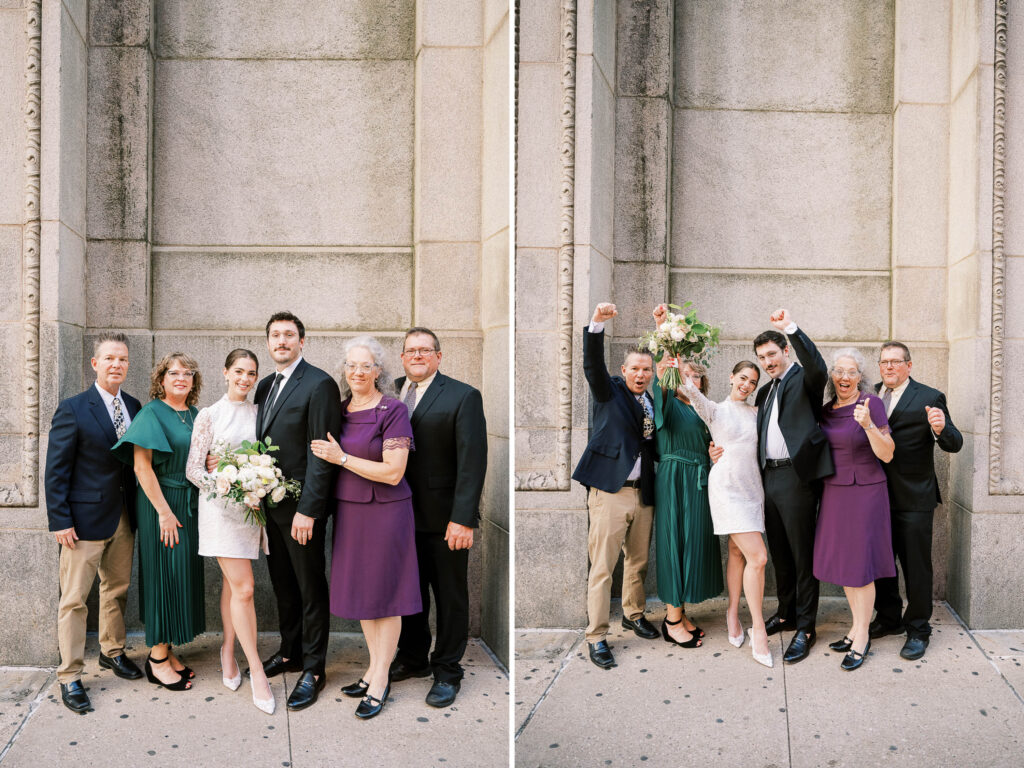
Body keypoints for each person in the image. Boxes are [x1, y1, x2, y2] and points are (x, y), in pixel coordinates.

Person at [310, 337, 421, 719]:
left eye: (366, 365)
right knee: (364, 595)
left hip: (386, 512)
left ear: (379, 371)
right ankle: (374, 667)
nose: (358, 372)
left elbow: (393, 472)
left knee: (386, 597)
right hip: (351, 512)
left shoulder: (394, 409)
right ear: (345, 370)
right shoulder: (338, 410)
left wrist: (341, 457)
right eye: (352, 365)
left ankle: (380, 679)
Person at [244, 311, 342, 711]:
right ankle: (290, 652)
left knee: (309, 587)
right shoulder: (266, 385)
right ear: (268, 343)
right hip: (269, 506)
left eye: (289, 335)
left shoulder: (319, 384)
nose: (281, 341)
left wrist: (309, 510)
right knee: (283, 585)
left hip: (301, 510)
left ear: (303, 341)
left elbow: (322, 455)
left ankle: (315, 667)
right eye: (275, 335)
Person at [45, 333, 143, 713]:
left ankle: (112, 651)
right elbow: (56, 470)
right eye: (110, 359)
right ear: (94, 363)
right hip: (81, 522)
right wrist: (60, 519)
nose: (117, 364)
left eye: (122, 359)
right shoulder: (73, 408)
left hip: (123, 517)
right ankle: (69, 675)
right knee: (73, 600)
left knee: (115, 589)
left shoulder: (134, 405)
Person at [390, 327, 487, 708]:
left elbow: (472, 461)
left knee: (450, 596)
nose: (417, 355)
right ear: (402, 357)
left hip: (445, 520)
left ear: (438, 356)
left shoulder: (463, 395)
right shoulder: (389, 392)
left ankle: (447, 670)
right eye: (410, 350)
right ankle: (413, 659)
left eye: (425, 350)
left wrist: (463, 518)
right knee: (409, 595)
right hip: (397, 518)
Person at [670, 332, 772, 668]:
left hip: (752, 489)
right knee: (758, 557)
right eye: (743, 378)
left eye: (752, 381)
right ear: (731, 378)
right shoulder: (714, 410)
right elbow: (688, 388)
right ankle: (758, 627)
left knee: (737, 552)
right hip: (726, 489)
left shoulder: (757, 413)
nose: (746, 384)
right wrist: (672, 342)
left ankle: (732, 612)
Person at [185, 349, 275, 714]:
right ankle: (256, 666)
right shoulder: (210, 415)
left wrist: (257, 484)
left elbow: (264, 459)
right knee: (246, 587)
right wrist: (227, 485)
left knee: (232, 586)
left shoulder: (259, 414)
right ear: (225, 373)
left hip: (250, 511)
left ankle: (227, 649)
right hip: (221, 512)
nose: (245, 378)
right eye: (239, 371)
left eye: (251, 373)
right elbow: (194, 469)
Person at [572, 302, 659, 670]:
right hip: (610, 492)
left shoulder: (653, 402)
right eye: (635, 369)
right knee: (603, 567)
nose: (641, 374)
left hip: (644, 493)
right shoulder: (609, 392)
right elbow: (592, 364)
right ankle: (596, 636)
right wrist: (595, 325)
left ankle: (633, 614)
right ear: (623, 372)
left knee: (637, 562)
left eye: (646, 370)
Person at [112, 353, 205, 691]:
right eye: (174, 372)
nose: (181, 378)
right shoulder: (151, 412)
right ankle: (156, 659)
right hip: (162, 505)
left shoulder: (195, 415)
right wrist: (165, 513)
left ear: (194, 381)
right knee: (164, 577)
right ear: (161, 379)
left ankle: (169, 649)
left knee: (181, 577)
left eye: (188, 373)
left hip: (189, 504)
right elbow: (141, 467)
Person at [869, 341, 962, 660]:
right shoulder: (871, 394)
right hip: (875, 497)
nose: (889, 367)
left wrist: (940, 428)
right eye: (884, 362)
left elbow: (955, 443)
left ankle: (919, 629)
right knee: (882, 564)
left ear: (909, 365)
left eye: (896, 361)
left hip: (914, 498)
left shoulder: (929, 397)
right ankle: (889, 618)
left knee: (916, 566)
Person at [751, 309, 834, 664]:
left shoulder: (804, 378)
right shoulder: (765, 392)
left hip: (797, 479)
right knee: (780, 554)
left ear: (785, 351)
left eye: (772, 354)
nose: (768, 362)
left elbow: (818, 367)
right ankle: (786, 613)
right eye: (762, 358)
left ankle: (806, 627)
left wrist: (792, 328)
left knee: (802, 556)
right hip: (768, 478)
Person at [813, 348, 895, 670]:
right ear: (832, 376)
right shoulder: (826, 410)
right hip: (835, 492)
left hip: (865, 492)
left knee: (861, 567)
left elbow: (887, 454)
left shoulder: (870, 404)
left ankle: (862, 636)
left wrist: (869, 426)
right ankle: (854, 627)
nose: (844, 377)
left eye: (851, 372)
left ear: (860, 376)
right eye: (839, 371)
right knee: (847, 566)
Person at [649, 351, 719, 651]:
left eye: (697, 376)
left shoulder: (705, 411)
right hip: (675, 478)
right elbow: (662, 381)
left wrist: (714, 454)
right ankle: (672, 621)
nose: (692, 380)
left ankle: (682, 612)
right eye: (686, 375)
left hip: (700, 482)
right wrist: (666, 342)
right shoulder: (669, 402)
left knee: (693, 543)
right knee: (674, 543)